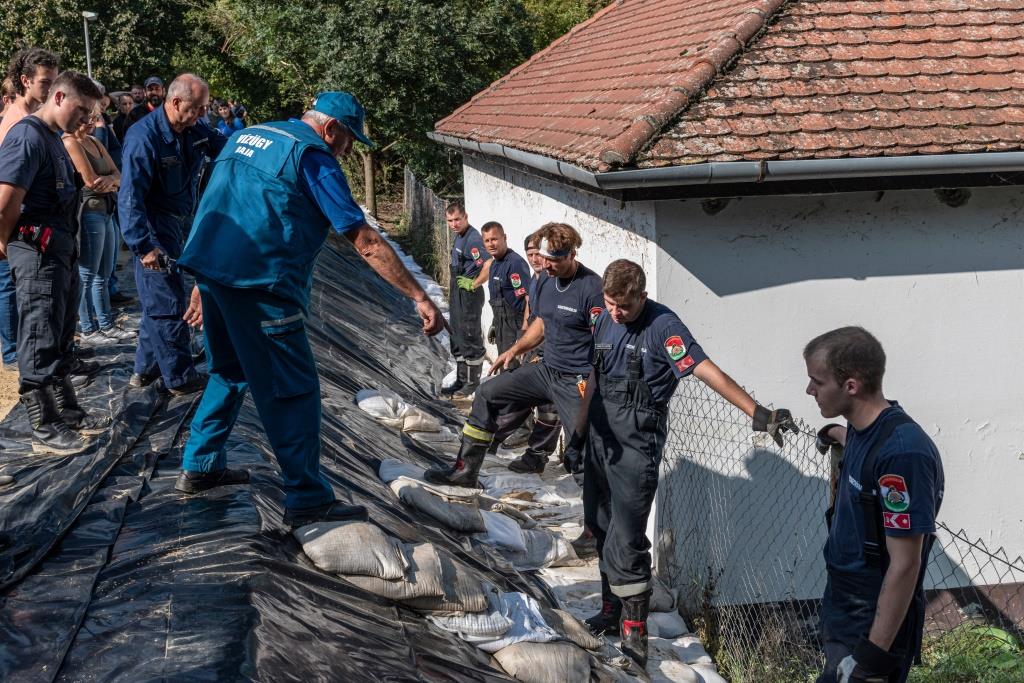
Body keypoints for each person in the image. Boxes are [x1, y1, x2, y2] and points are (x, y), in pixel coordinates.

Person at [175, 91, 444, 526]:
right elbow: (365, 240)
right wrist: (418, 296)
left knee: (229, 370)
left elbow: (215, 204)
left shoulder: (249, 135)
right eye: (348, 140)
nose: (348, 150)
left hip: (214, 272)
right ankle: (306, 497)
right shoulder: (312, 155)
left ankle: (200, 464)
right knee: (294, 391)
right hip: (260, 284)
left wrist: (203, 280)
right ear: (330, 128)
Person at [581, 259, 795, 668]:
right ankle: (611, 610)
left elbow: (705, 370)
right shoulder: (604, 319)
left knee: (627, 539)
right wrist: (578, 433)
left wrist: (758, 413)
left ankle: (635, 632)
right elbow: (595, 373)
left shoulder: (665, 327)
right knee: (600, 526)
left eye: (623, 306)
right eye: (610, 304)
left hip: (636, 449)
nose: (615, 313)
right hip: (601, 442)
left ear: (641, 296)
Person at [806, 327, 944, 683]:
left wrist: (870, 661)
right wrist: (833, 432)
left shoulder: (902, 454)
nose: (809, 391)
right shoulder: (865, 431)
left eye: (817, 382)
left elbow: (905, 565)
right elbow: (858, 440)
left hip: (871, 620)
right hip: (844, 602)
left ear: (850, 386)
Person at [425, 222, 602, 488]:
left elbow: (605, 339)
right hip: (545, 370)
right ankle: (465, 472)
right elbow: (541, 322)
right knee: (487, 394)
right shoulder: (545, 280)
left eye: (555, 260)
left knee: (580, 450)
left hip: (574, 379)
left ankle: (597, 527)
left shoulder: (592, 288)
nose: (548, 265)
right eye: (545, 258)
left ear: (572, 255)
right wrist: (515, 349)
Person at [0, 71, 110, 453]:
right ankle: (44, 425)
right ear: (59, 97)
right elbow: (5, 201)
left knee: (62, 333)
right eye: (82, 110)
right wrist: (4, 243)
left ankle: (69, 413)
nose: (86, 120)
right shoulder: (27, 136)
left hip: (60, 249)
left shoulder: (54, 140)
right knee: (39, 335)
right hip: (37, 251)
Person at [118, 73, 227, 395]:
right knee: (167, 301)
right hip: (153, 227)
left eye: (204, 109)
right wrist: (143, 246)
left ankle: (145, 369)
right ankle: (179, 377)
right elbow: (130, 197)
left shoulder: (195, 129)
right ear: (176, 102)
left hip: (180, 219)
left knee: (158, 298)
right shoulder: (144, 137)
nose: (201, 115)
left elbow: (225, 148)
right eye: (197, 108)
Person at [474, 223, 561, 474]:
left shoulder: (553, 280)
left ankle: (537, 455)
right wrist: (522, 338)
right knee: (518, 394)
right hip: (530, 342)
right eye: (530, 253)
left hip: (551, 351)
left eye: (538, 253)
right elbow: (529, 308)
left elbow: (547, 321)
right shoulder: (536, 280)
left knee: (549, 408)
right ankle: (493, 438)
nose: (534, 258)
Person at [63, 101, 132, 346]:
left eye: (95, 118)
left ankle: (105, 324)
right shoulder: (70, 142)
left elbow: (120, 175)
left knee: (104, 273)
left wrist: (110, 181)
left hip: (107, 210)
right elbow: (91, 181)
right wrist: (110, 180)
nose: (93, 122)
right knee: (88, 273)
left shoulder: (95, 142)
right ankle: (89, 328)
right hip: (89, 211)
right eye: (89, 118)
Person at [442, 201, 490, 398]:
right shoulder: (459, 237)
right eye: (450, 220)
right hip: (457, 291)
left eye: (457, 220)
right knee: (456, 334)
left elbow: (488, 264)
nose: (454, 224)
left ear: (466, 218)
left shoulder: (473, 239)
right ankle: (461, 380)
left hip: (469, 295)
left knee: (469, 335)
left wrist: (474, 283)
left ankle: (472, 382)